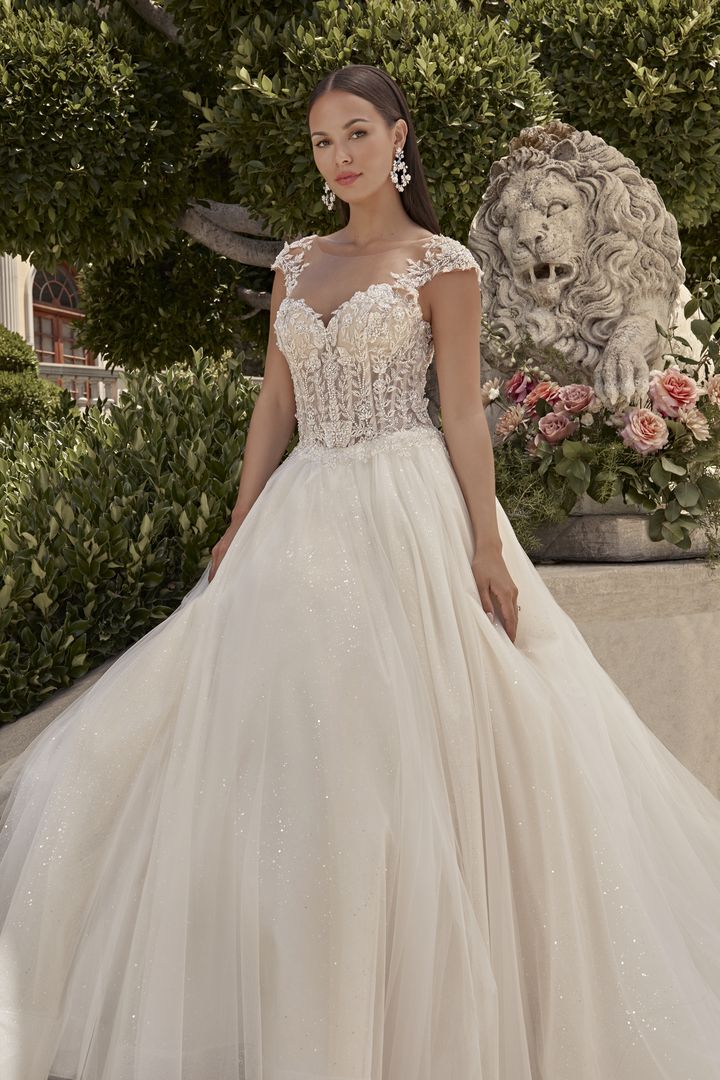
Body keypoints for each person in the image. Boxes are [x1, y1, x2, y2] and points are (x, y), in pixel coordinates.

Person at [1, 61, 719, 1080]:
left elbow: (461, 413)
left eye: (355, 134)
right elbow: (275, 402)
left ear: (397, 137)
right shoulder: (297, 262)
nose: (338, 157)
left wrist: (484, 545)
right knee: (264, 745)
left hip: (406, 508)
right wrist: (240, 520)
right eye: (321, 142)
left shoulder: (444, 266)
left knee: (409, 748)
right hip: (302, 511)